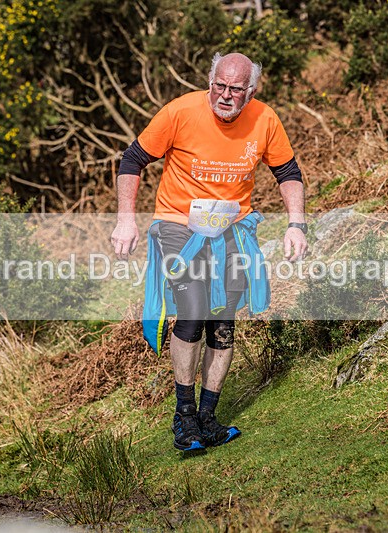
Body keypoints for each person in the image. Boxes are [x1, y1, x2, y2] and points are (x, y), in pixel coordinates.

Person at [111, 52, 307, 451]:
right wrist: (125, 219)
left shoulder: (265, 119)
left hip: (232, 230)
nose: (226, 95)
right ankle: (184, 418)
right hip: (178, 225)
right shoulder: (180, 112)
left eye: (237, 89)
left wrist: (296, 224)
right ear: (210, 80)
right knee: (194, 311)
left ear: (251, 91)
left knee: (223, 321)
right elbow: (132, 159)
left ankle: (208, 419)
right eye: (220, 85)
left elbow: (288, 172)